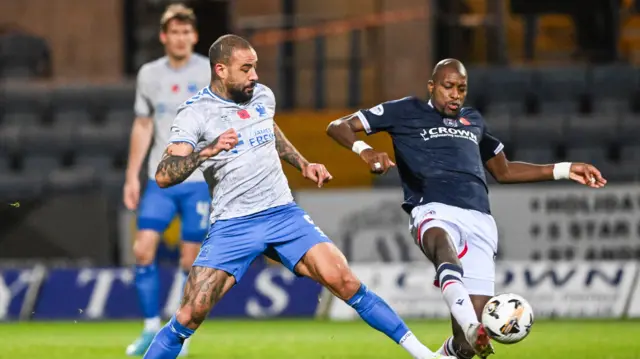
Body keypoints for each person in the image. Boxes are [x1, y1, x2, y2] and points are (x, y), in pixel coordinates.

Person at [141, 34, 457, 359]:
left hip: (283, 215)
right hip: (234, 225)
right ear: (221, 70)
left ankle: (425, 356)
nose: (254, 76)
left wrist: (302, 163)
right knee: (188, 315)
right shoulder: (196, 113)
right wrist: (209, 149)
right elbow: (164, 174)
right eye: (246, 68)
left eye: (255, 67)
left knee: (344, 280)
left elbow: (269, 129)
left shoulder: (261, 95)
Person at [326, 58, 607, 359]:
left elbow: (506, 171)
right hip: (432, 208)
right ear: (432, 86)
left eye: (461, 88)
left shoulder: (474, 121)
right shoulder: (406, 110)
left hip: (480, 221)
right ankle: (474, 326)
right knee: (443, 249)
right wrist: (365, 150)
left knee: (464, 348)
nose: (455, 94)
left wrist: (566, 169)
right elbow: (338, 126)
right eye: (448, 87)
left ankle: (461, 339)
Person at [123, 4, 211, 356]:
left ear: (194, 36)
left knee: (189, 262)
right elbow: (143, 125)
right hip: (159, 180)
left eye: (186, 32)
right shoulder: (148, 74)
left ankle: (176, 333)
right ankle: (148, 329)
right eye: (174, 32)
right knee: (142, 249)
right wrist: (131, 176)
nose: (180, 37)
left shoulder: (208, 71)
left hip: (199, 180)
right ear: (164, 36)